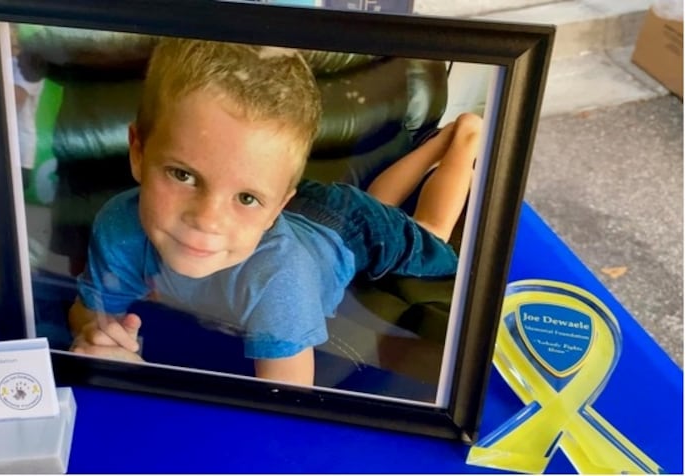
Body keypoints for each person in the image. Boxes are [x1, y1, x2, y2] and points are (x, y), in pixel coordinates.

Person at [68, 37, 481, 386]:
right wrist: (97, 336)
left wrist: (144, 387)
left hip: (344, 225)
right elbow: (89, 312)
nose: (208, 219)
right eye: (182, 174)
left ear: (275, 208)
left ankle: (464, 135)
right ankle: (436, 142)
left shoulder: (281, 282)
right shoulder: (119, 225)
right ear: (138, 153)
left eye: (243, 198)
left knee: (428, 232)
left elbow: (286, 401)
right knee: (378, 201)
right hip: (286, 201)